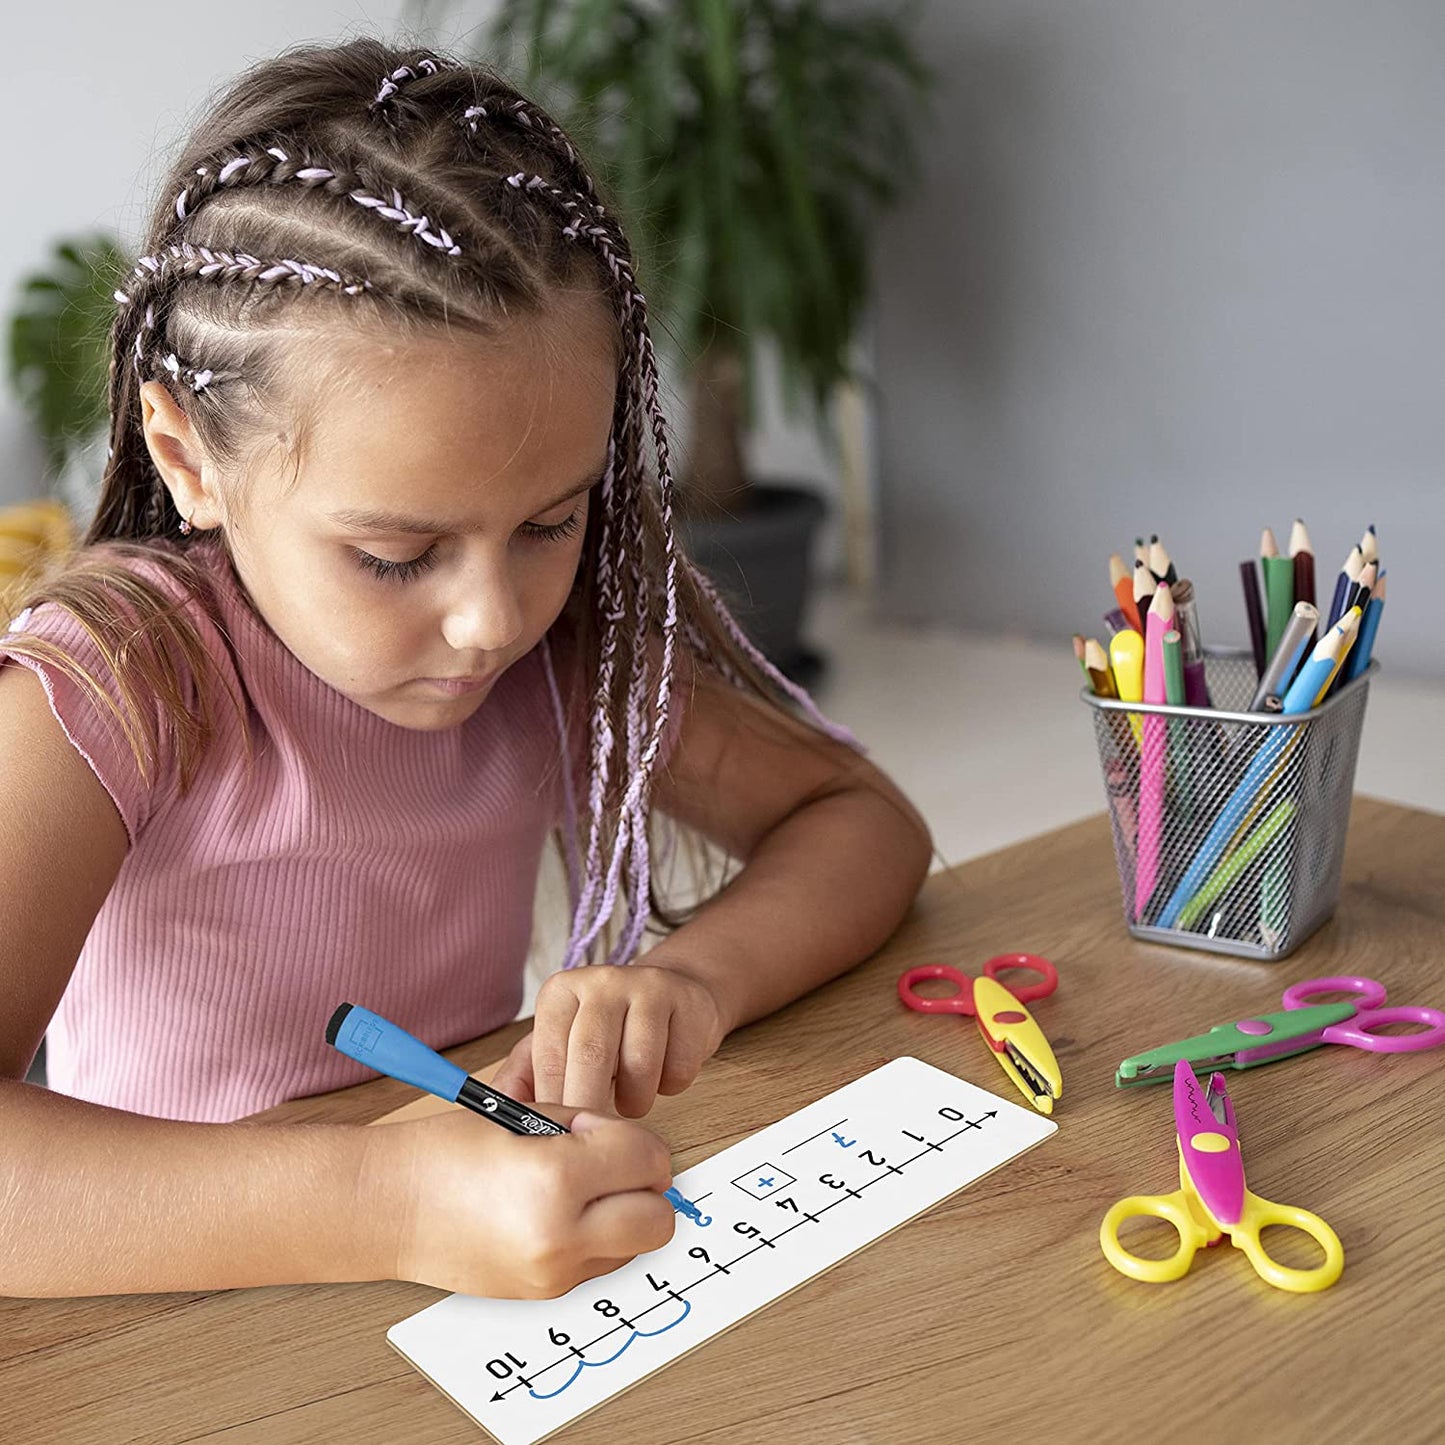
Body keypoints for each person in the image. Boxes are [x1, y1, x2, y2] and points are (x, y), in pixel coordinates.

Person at [0, 39, 931, 1301]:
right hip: (179, 1320)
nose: (491, 620)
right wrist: (391, 1203)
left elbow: (858, 819)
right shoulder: (114, 682)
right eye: (395, 553)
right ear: (188, 457)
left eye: (553, 521)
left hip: (458, 1282)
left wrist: (690, 980)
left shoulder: (559, 652)